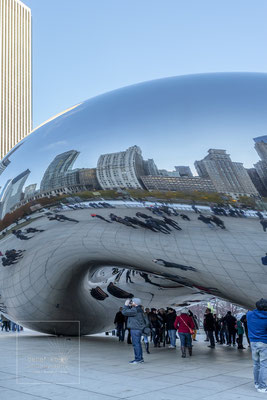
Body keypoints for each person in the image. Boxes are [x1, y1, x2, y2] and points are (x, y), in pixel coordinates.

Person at [247, 298, 267, 393]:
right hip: (264, 342)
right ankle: (262, 386)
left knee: (256, 364)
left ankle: (257, 383)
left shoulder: (249, 315)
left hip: (253, 342)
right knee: (264, 364)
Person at [122, 298, 147, 364]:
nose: (131, 302)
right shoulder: (139, 309)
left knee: (136, 345)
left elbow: (124, 312)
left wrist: (126, 304)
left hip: (135, 329)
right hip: (138, 329)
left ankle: (138, 359)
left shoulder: (135, 310)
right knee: (138, 344)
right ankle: (140, 359)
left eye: (132, 301)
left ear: (135, 303)